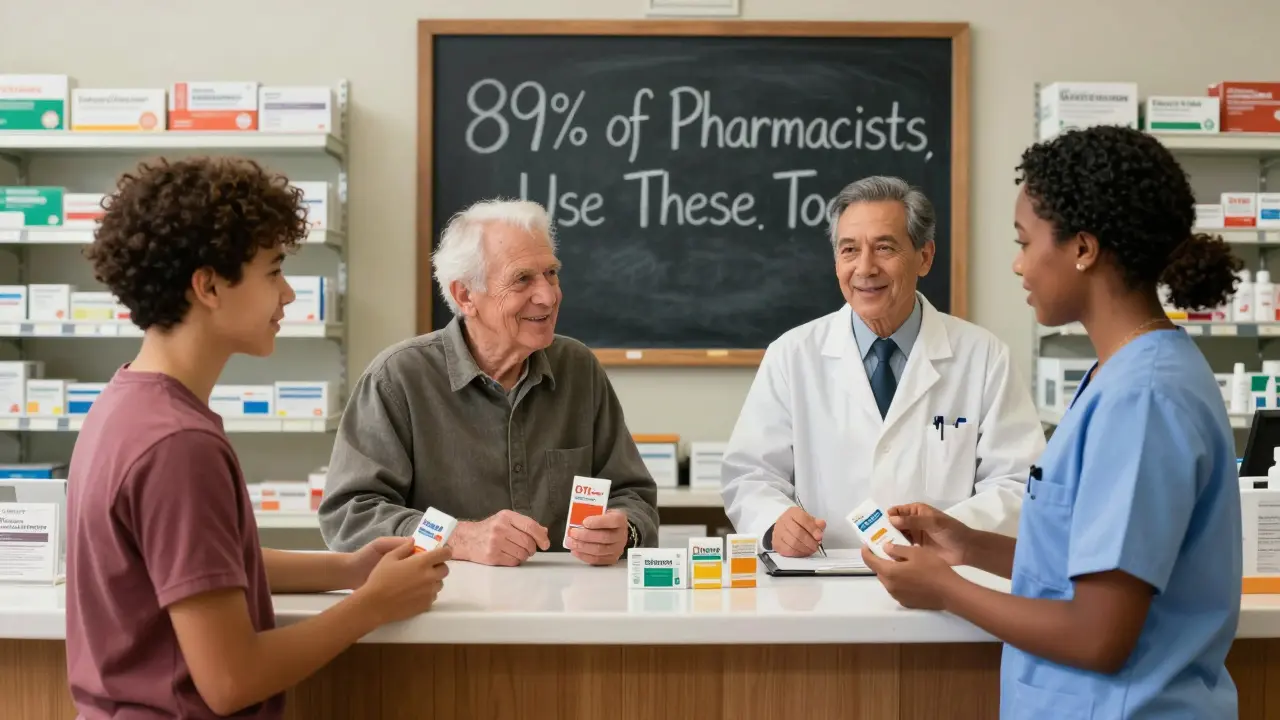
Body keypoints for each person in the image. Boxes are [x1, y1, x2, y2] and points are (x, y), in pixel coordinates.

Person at [863, 126, 1243, 718]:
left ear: (1083, 248)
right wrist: (968, 547)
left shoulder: (1142, 399)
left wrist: (945, 590)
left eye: (1024, 241)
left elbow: (1098, 634)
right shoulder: (1123, 374)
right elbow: (1094, 570)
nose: (1018, 265)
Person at [66, 157, 452, 720]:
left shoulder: (128, 403)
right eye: (273, 271)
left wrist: (347, 570)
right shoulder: (178, 446)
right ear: (209, 285)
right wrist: (370, 606)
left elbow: (203, 566)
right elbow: (230, 679)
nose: (289, 295)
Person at [319, 198, 659, 567]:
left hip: (566, 608)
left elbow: (632, 494)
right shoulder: (398, 378)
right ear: (465, 295)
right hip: (441, 606)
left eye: (551, 273)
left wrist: (625, 530)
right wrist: (456, 537)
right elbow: (349, 516)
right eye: (522, 279)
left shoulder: (578, 369)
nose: (548, 295)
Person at [720, 176, 1045, 556]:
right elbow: (749, 474)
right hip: (820, 584)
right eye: (849, 250)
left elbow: (1018, 482)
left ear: (925, 257)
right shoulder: (792, 355)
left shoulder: (985, 357)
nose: (865, 268)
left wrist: (950, 532)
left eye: (884, 248)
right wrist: (775, 522)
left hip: (943, 582)